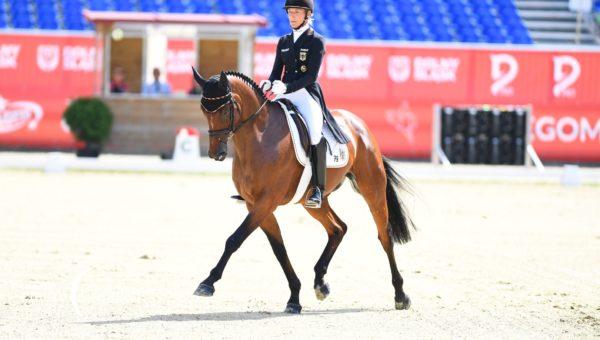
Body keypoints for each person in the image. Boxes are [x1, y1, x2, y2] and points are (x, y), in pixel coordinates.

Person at [260, 0, 349, 209]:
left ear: (307, 15)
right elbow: (276, 72)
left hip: (306, 94)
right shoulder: (283, 41)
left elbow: (310, 76)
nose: (292, 16)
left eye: (297, 12)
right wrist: (269, 82)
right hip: (284, 92)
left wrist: (286, 87)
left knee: (315, 133)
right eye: (290, 12)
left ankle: (318, 188)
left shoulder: (316, 41)